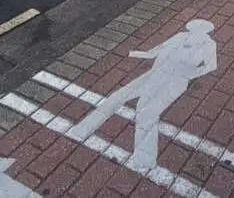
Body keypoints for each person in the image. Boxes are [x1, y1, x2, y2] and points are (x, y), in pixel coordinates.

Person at [68, 20, 217, 170]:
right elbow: (161, 48)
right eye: (194, 27)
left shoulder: (209, 45)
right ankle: (83, 128)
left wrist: (189, 74)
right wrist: (140, 54)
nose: (196, 30)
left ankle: (144, 160)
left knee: (148, 112)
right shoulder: (180, 36)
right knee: (117, 97)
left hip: (175, 82)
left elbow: (211, 66)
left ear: (206, 32)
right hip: (154, 74)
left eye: (201, 29)